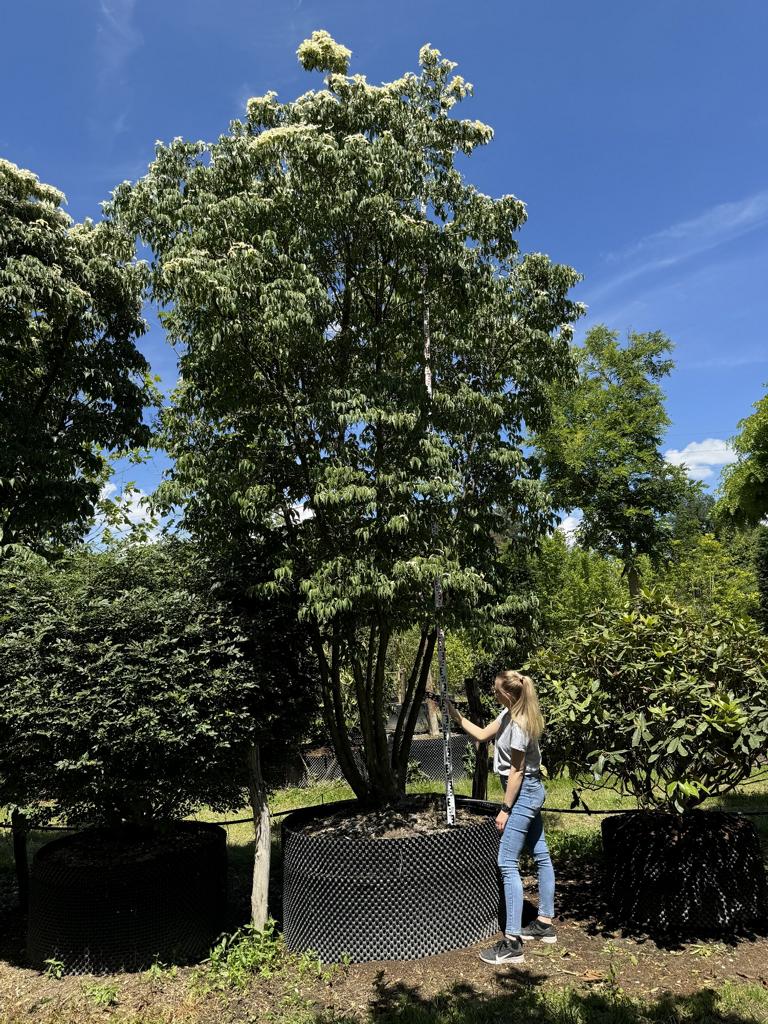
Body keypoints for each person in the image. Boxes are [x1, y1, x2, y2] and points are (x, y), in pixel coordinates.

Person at [445, 670, 556, 965]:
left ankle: (512, 943)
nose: (493, 694)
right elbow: (482, 735)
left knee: (506, 862)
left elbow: (517, 772)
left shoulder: (519, 725)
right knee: (541, 853)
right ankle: (544, 924)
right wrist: (456, 716)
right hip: (525, 792)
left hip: (523, 793)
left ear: (508, 694)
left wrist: (505, 810)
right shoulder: (508, 713)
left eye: (496, 691)